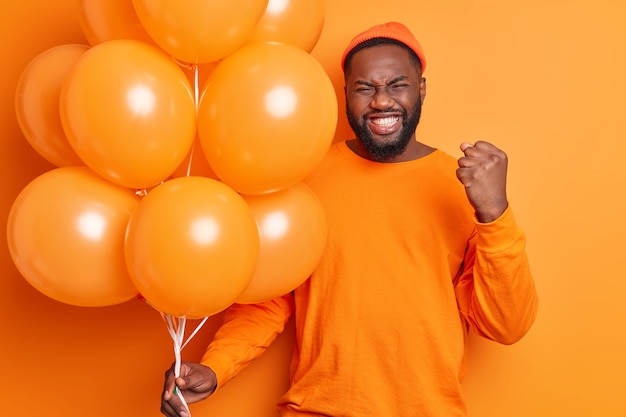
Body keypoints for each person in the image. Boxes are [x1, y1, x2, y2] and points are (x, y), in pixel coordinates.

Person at [160, 21, 538, 417]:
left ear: (421, 89)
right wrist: (216, 366)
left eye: (397, 85)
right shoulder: (305, 179)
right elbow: (269, 300)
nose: (381, 101)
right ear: (345, 95)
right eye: (365, 88)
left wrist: (495, 213)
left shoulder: (464, 187)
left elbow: (506, 326)